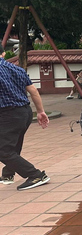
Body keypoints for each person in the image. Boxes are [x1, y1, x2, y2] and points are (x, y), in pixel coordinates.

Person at [0, 55, 50, 190]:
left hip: (8, 114)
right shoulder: (17, 69)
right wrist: (40, 111)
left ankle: (35, 175)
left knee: (3, 150)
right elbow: (33, 90)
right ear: (3, 54)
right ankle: (8, 174)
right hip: (24, 112)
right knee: (14, 145)